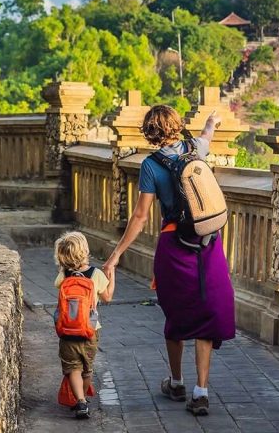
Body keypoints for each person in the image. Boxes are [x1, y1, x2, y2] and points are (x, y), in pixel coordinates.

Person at [103, 106, 235, 416]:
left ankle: (176, 382)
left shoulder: (151, 165)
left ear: (149, 133)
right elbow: (207, 135)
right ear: (177, 126)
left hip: (174, 244)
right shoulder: (195, 149)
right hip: (207, 242)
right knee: (206, 312)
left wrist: (115, 256)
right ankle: (200, 391)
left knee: (176, 313)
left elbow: (140, 216)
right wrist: (212, 121)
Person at [54, 231, 115, 419]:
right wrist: (111, 276)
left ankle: (80, 401)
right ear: (85, 251)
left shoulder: (63, 274)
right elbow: (107, 297)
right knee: (86, 369)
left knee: (73, 368)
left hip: (66, 330)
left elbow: (58, 286)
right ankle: (83, 400)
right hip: (90, 330)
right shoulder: (95, 274)